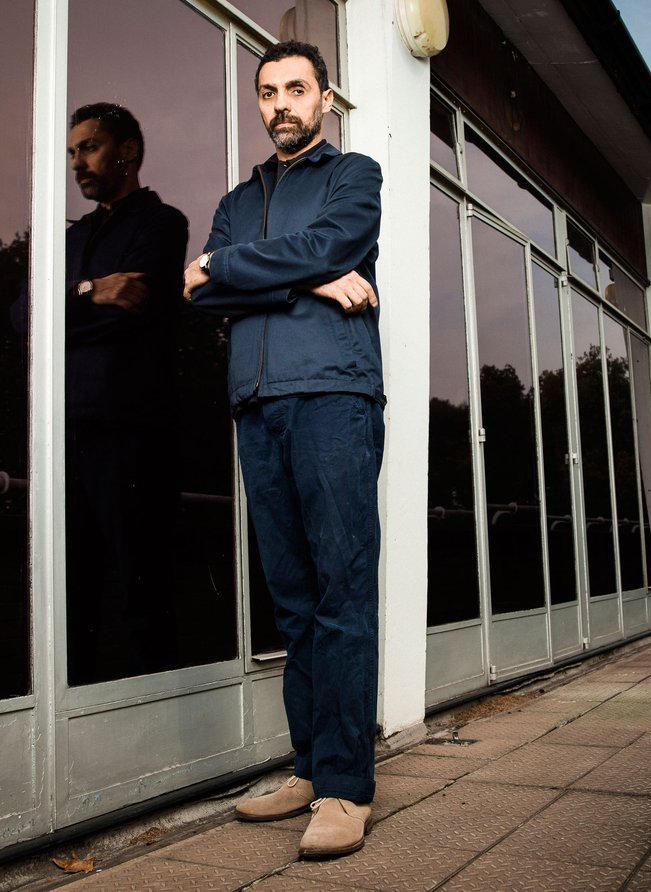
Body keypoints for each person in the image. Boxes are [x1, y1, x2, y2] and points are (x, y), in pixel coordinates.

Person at [183, 41, 385, 859]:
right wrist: (305, 280)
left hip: (333, 393)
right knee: (294, 600)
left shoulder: (354, 174)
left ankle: (344, 787)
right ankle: (308, 768)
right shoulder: (238, 197)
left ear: (324, 99)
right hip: (255, 404)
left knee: (340, 593)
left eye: (296, 89)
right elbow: (200, 295)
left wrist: (237, 270)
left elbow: (320, 246)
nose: (280, 105)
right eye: (267, 93)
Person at [64, 103, 188, 683]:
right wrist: (90, 290)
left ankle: (160, 743)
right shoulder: (74, 237)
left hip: (132, 438)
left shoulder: (160, 224)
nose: (77, 163)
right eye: (72, 152)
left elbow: (133, 313)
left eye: (87, 147)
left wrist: (65, 310)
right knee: (69, 595)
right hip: (65, 434)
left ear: (128, 152)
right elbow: (21, 316)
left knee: (143, 593)